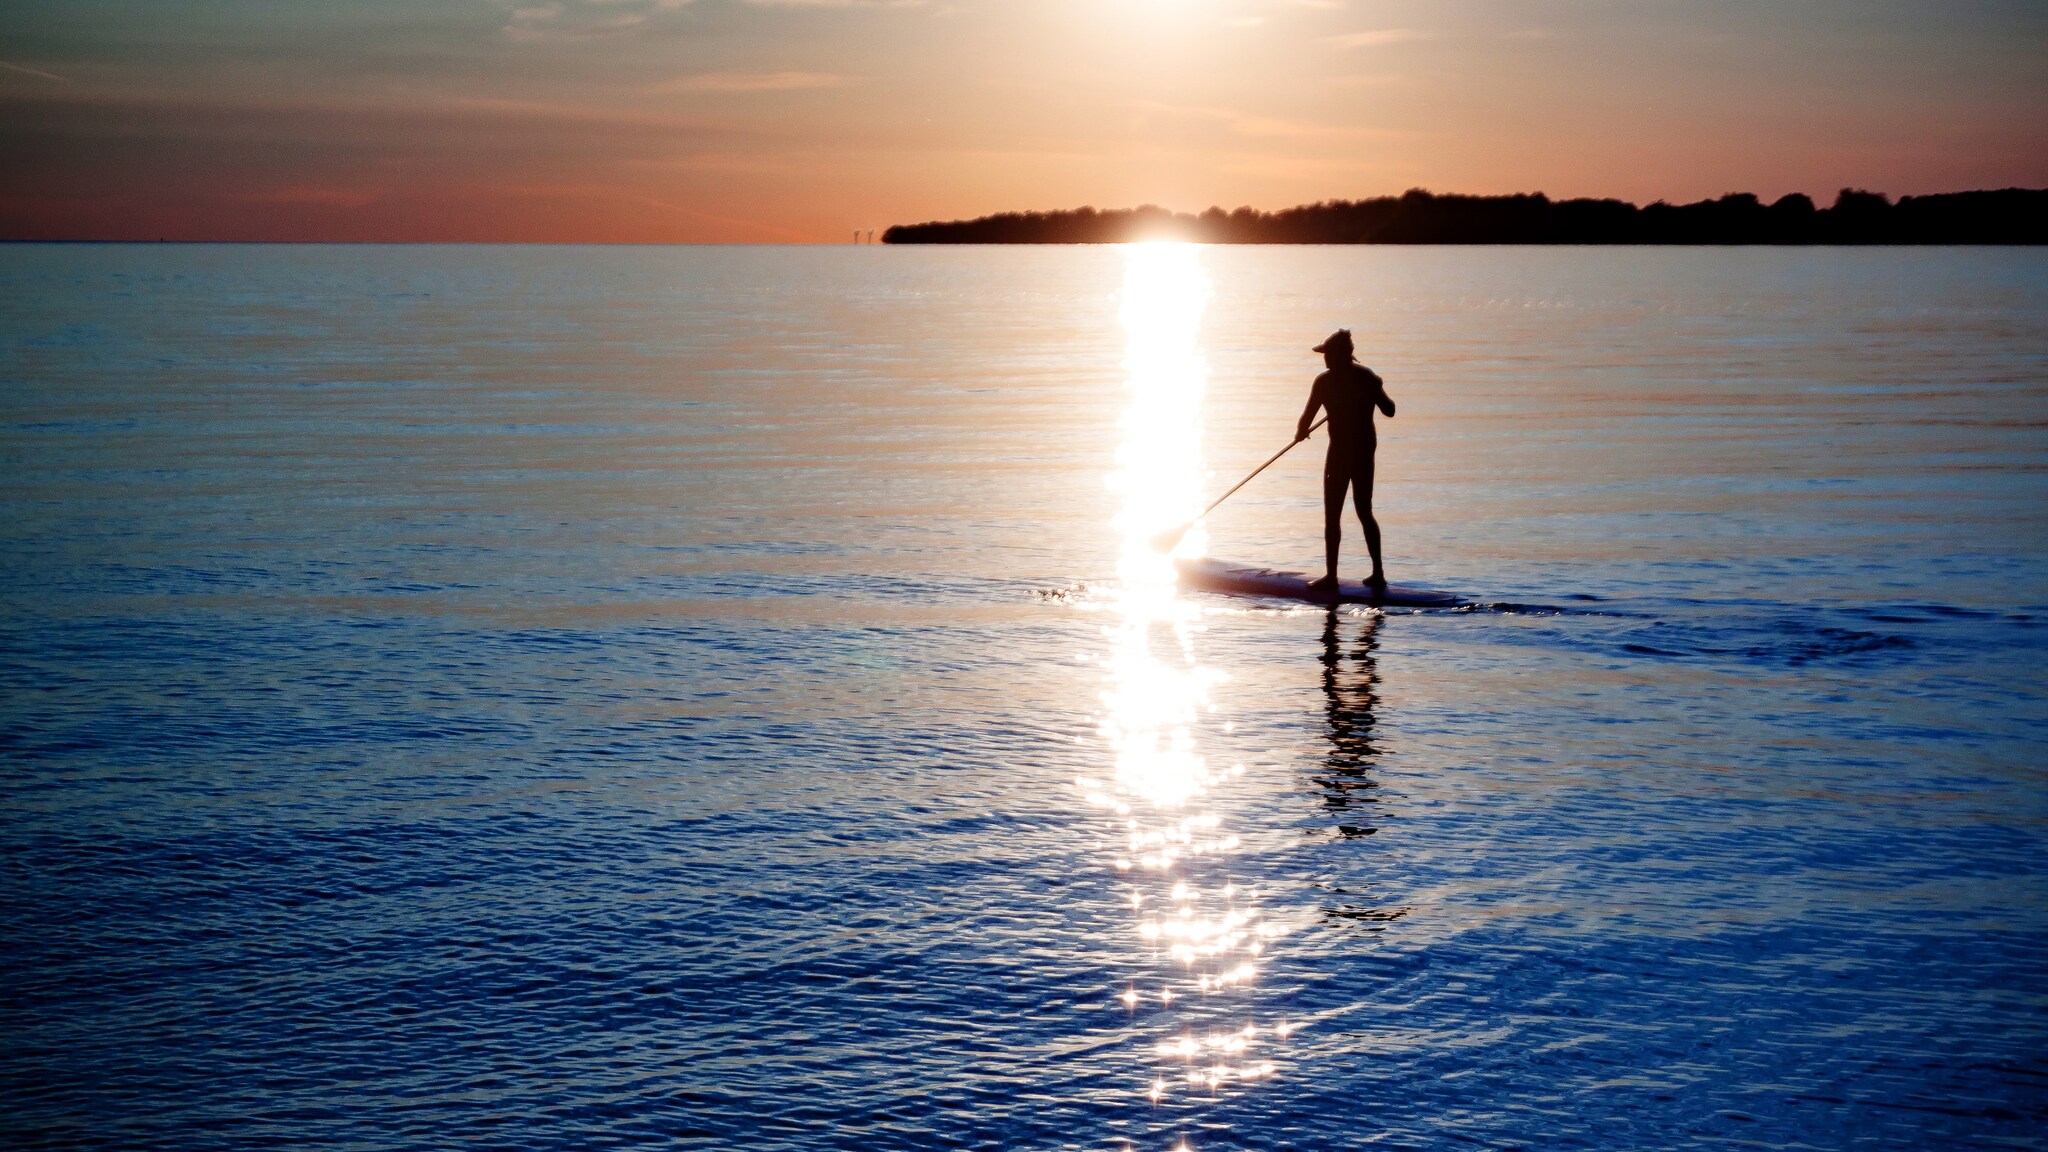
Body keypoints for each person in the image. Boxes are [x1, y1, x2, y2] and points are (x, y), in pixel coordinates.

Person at [1294, 329, 1395, 594]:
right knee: (1363, 511)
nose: (1324, 360)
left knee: (1339, 514)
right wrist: (1374, 389)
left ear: (1341, 356)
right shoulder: (1363, 378)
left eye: (1328, 355)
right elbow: (1390, 409)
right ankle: (1378, 574)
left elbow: (1306, 419)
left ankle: (1335, 577)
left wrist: (1301, 432)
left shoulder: (1329, 382)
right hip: (1362, 452)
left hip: (1343, 454)